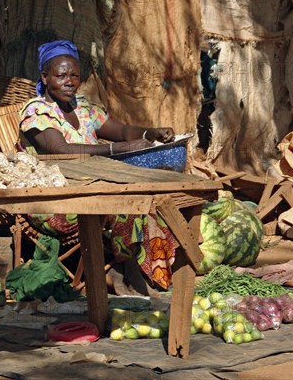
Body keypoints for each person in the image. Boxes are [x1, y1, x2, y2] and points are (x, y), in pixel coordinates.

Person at [19, 39, 179, 295]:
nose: (69, 81)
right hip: (51, 202)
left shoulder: (82, 108)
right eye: (61, 75)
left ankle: (131, 268)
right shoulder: (36, 111)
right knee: (125, 205)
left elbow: (123, 130)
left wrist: (151, 132)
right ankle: (127, 269)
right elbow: (61, 150)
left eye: (74, 75)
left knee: (148, 202)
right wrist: (116, 150)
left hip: (92, 191)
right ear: (45, 77)